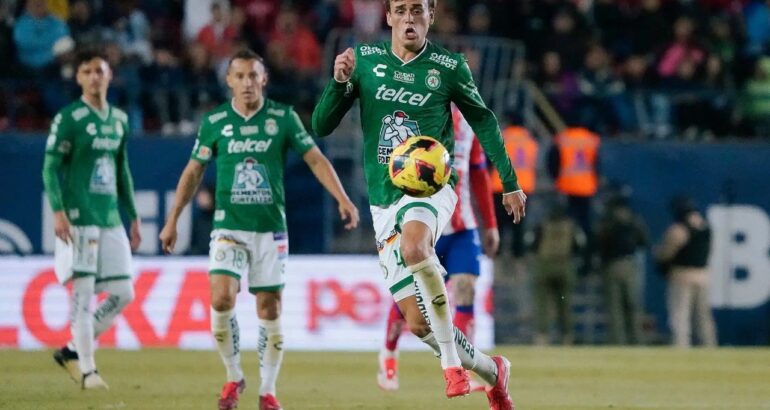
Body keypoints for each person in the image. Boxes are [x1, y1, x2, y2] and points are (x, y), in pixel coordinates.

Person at [312, 1, 525, 407]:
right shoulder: (364, 61)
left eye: (418, 10)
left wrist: (509, 183)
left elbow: (484, 122)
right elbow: (321, 126)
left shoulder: (449, 67)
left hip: (432, 186)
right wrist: (338, 83)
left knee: (414, 245)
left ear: (432, 15)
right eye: (401, 10)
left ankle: (451, 366)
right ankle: (493, 371)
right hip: (383, 200)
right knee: (416, 321)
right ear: (389, 17)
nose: (409, 18)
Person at [159, 49, 359, 410]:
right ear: (229, 81)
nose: (247, 83)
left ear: (263, 79)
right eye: (240, 76)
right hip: (229, 227)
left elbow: (315, 159)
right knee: (220, 298)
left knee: (269, 308)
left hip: (270, 230)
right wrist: (174, 217)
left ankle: (268, 391)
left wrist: (342, 198)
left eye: (254, 76)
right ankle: (234, 376)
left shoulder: (282, 118)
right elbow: (193, 171)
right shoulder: (215, 121)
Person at [377, 105, 499, 392]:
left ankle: (462, 364)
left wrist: (490, 224)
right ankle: (389, 353)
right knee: (412, 300)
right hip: (422, 225)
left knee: (466, 287)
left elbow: (479, 173)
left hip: (462, 226)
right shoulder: (418, 115)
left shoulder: (470, 123)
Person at [43, 49, 141, 390]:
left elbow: (121, 169)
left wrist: (134, 215)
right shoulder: (69, 118)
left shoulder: (119, 119)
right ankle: (87, 371)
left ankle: (71, 349)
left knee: (125, 292)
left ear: (110, 75)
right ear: (78, 77)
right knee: (83, 294)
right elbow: (49, 168)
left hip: (111, 216)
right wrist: (58, 211)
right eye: (87, 71)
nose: (94, 76)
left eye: (100, 70)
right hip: (79, 216)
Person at [655, 196, 717, 348]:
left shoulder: (679, 229)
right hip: (703, 276)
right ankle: (709, 346)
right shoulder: (705, 227)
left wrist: (659, 258)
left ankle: (680, 345)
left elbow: (665, 253)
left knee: (680, 315)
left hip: (681, 275)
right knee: (703, 317)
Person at [528, 200, 584, 345]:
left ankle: (542, 336)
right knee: (564, 303)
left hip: (544, 267)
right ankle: (567, 337)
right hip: (564, 266)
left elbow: (531, 243)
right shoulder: (571, 226)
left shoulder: (542, 225)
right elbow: (581, 244)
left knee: (542, 304)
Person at [596, 193, 648, 345]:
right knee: (633, 305)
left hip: (611, 265)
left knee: (614, 308)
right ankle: (637, 341)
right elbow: (644, 241)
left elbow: (599, 242)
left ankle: (618, 342)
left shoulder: (607, 221)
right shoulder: (634, 220)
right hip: (629, 264)